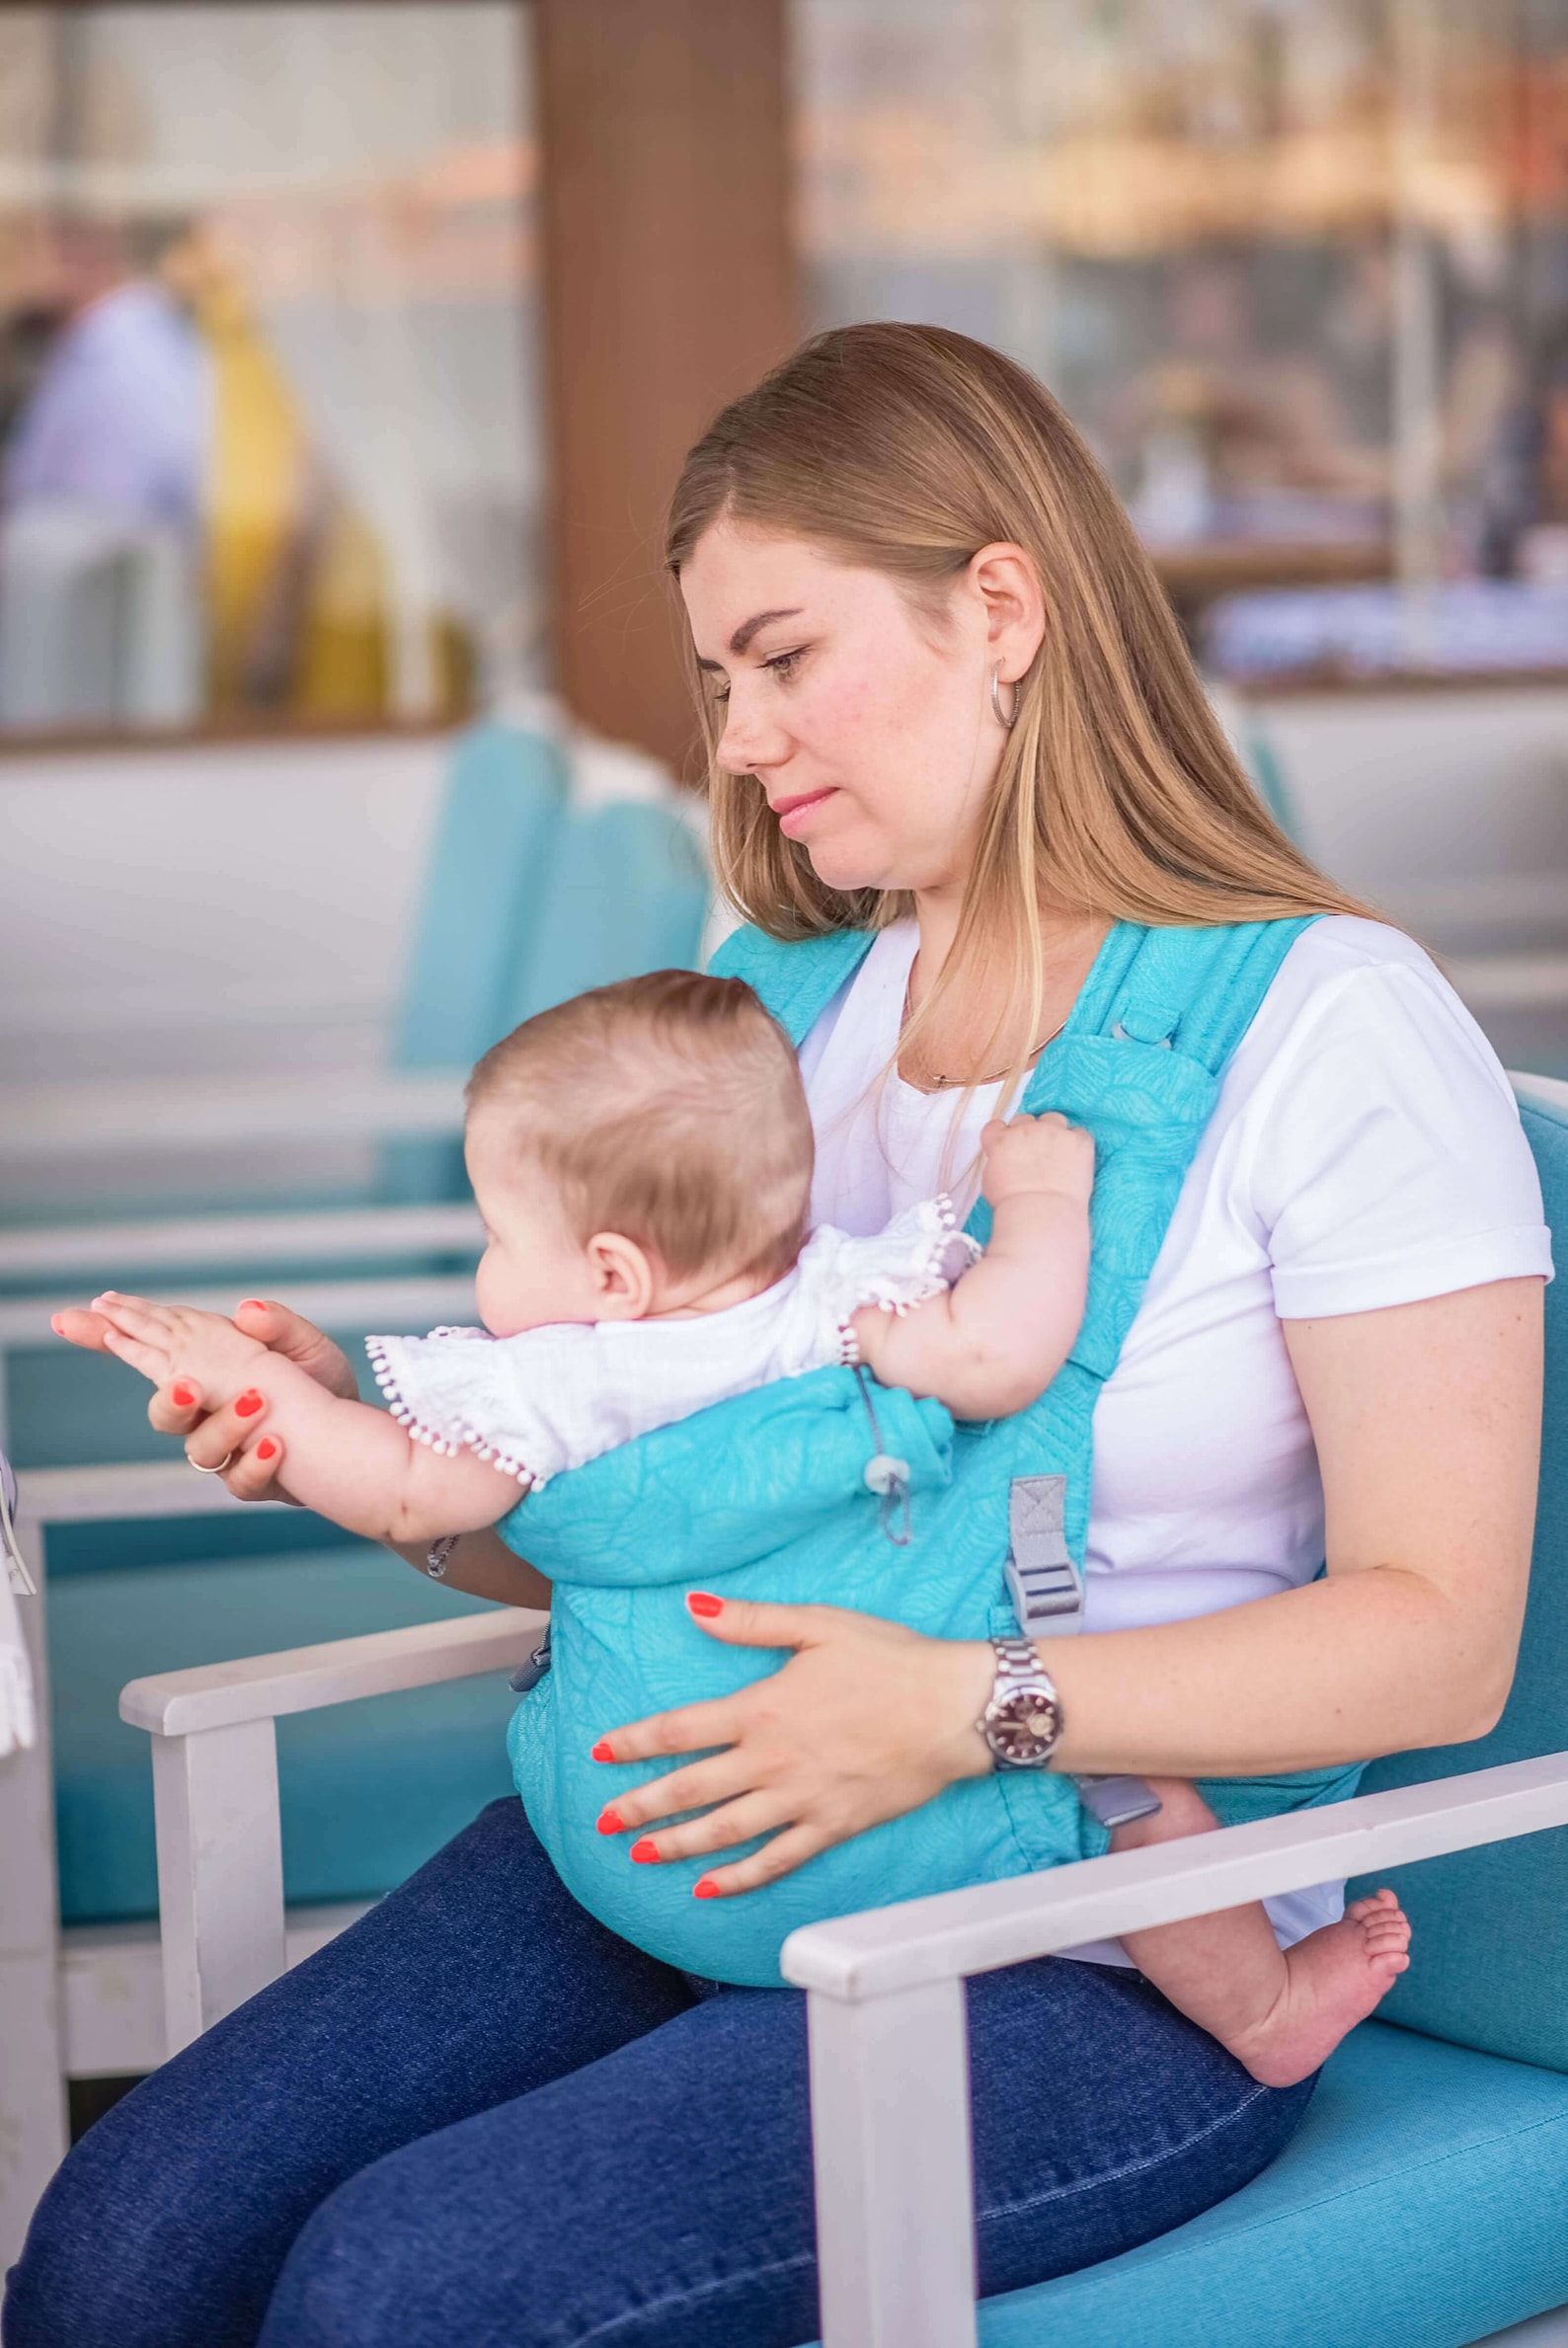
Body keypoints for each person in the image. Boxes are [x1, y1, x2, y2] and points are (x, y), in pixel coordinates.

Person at [7, 323, 1546, 2348]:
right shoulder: (779, 1010)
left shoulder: (1330, 1026)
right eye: (716, 677)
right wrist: (370, 1463)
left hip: (1074, 1935)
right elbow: (639, 1513)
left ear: (997, 606)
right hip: (676, 1838)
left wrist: (953, 1707)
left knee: (414, 2294)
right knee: (123, 2245)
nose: (735, 737)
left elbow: (1435, 1637)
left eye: (784, 654)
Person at [65, 968, 1411, 2082]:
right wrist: (1049, 1203)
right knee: (1138, 1794)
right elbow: (1007, 1360)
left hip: (658, 1849)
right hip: (924, 1834)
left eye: (491, 1232)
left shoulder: (557, 1379)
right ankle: (1263, 2012)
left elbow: (411, 1488)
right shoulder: (853, 1294)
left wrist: (280, 1405)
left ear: (610, 1270)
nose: (481, 1271)